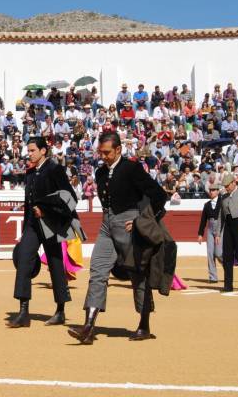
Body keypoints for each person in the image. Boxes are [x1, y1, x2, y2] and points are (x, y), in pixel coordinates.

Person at [69, 132, 166, 344]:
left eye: (107, 152)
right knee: (97, 270)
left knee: (138, 273)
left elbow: (159, 195)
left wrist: (142, 220)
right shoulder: (101, 172)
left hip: (129, 225)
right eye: (101, 152)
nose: (103, 156)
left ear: (119, 149)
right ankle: (88, 327)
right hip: (107, 224)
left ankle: (144, 325)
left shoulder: (132, 169)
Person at [8, 137, 85, 328]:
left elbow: (70, 197)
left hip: (50, 224)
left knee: (56, 264)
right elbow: (29, 203)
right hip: (33, 225)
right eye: (29, 150)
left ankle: (60, 311)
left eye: (33, 150)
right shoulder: (31, 172)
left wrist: (47, 210)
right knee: (24, 260)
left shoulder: (55, 169)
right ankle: (23, 312)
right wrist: (26, 226)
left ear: (43, 151)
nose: (29, 153)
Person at [197, 184, 223, 283]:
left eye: (213, 190)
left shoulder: (222, 202)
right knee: (210, 253)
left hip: (220, 227)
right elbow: (203, 220)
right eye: (210, 190)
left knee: (218, 253)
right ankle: (213, 277)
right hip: (210, 228)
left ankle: (227, 265)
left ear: (218, 191)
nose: (211, 192)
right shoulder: (207, 205)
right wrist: (200, 234)